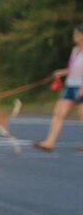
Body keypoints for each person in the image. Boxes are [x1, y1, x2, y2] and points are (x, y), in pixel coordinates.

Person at [34, 24, 83, 152]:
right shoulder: (75, 50)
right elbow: (73, 69)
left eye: (77, 34)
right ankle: (49, 143)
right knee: (58, 113)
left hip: (81, 87)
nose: (74, 36)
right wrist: (62, 72)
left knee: (82, 115)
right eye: (74, 34)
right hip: (70, 86)